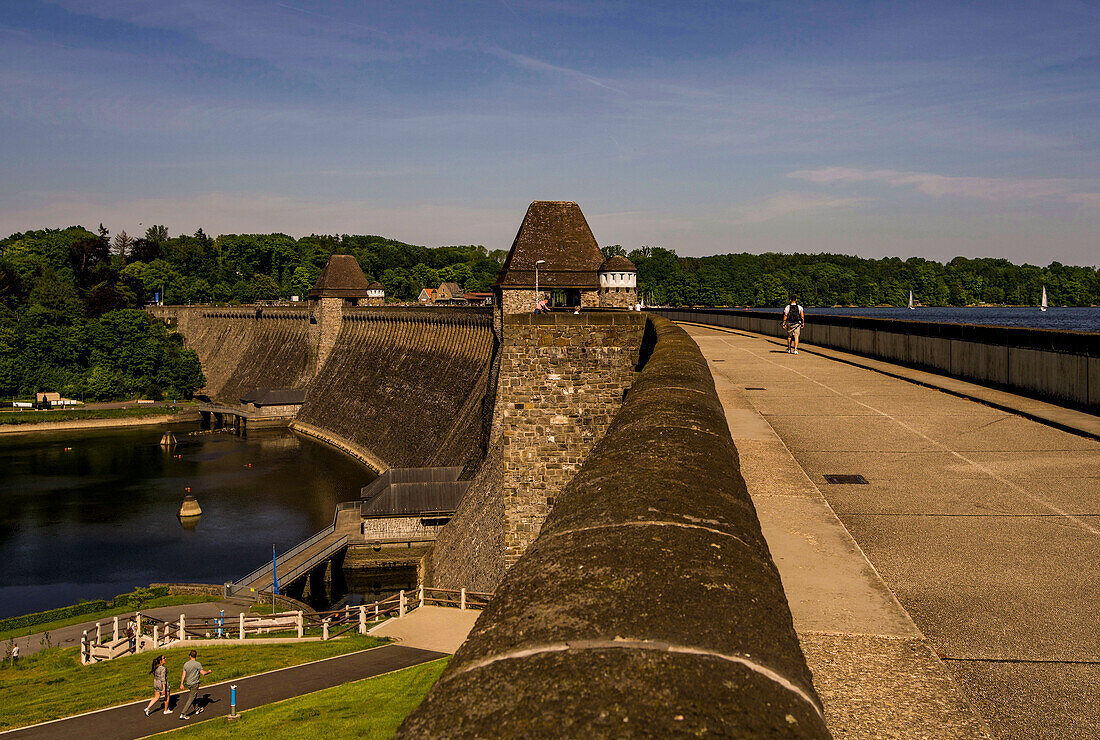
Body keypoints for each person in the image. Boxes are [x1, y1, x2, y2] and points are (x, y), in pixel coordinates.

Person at [178, 649, 211, 720]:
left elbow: (183, 675)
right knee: (191, 698)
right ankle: (183, 713)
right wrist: (208, 671)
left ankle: (197, 709)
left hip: (188, 683)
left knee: (194, 696)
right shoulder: (197, 664)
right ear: (196, 656)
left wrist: (181, 684)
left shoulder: (186, 664)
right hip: (194, 683)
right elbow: (203, 673)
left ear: (190, 656)